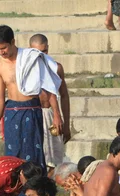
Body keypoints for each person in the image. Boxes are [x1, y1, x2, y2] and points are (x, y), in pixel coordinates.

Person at [0, 25, 63, 196]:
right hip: (12, 115)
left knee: (34, 164)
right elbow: (0, 98)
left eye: (4, 47)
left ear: (13, 42)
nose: (2, 52)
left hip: (32, 110)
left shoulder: (30, 58)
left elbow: (49, 86)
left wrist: (57, 114)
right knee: (14, 167)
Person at [29, 33, 71, 176]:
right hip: (33, 114)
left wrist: (65, 124)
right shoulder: (25, 70)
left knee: (54, 161)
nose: (41, 55)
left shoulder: (56, 67)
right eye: (37, 52)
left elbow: (64, 96)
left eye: (44, 51)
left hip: (52, 116)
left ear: (48, 49)